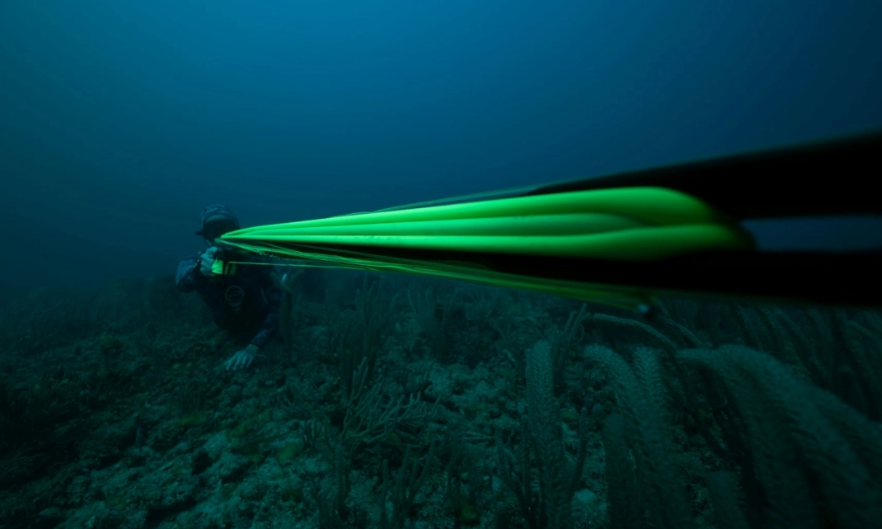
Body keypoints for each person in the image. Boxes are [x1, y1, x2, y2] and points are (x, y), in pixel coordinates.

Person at [176, 205, 281, 370]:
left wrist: (254, 346)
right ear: (205, 236)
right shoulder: (197, 262)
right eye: (212, 230)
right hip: (225, 328)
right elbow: (182, 283)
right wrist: (199, 272)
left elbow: (278, 304)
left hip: (258, 323)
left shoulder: (256, 259)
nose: (220, 237)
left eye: (226, 229)